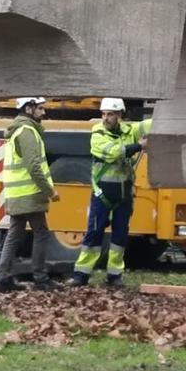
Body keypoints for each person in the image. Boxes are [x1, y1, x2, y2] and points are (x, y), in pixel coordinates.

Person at [70, 97, 151, 287]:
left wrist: (166, 117)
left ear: (120, 116)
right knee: (93, 234)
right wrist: (139, 146)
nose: (106, 118)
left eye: (111, 115)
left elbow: (150, 125)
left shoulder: (129, 131)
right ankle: (81, 274)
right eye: (104, 114)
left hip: (124, 195)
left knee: (120, 237)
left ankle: (115, 275)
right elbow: (113, 152)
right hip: (102, 196)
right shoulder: (97, 134)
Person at [0, 97, 60, 292]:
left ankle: (4, 278)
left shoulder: (18, 130)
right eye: (40, 109)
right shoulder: (27, 132)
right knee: (41, 233)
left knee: (14, 235)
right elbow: (34, 166)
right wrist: (50, 191)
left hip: (17, 193)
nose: (43, 112)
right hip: (29, 193)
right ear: (29, 109)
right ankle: (40, 278)